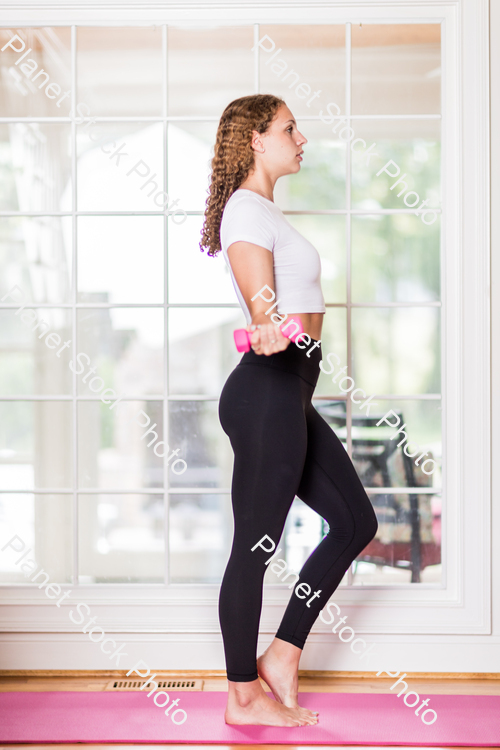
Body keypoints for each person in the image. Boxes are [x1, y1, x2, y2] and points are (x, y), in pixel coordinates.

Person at [200, 94, 378, 728]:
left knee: (355, 523)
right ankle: (241, 693)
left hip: (285, 391)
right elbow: (260, 296)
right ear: (255, 139)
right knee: (256, 544)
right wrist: (266, 320)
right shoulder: (246, 211)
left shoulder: (263, 209)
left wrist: (274, 323)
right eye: (288, 128)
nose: (301, 138)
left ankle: (282, 652)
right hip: (267, 388)